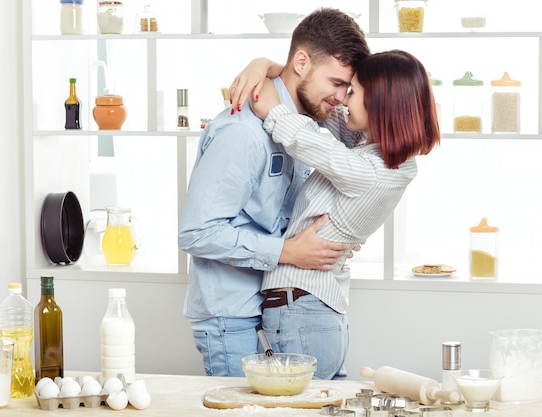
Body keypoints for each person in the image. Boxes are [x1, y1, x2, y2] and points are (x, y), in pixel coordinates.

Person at [177, 8, 370, 377]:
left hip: (271, 305)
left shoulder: (307, 119)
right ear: (301, 62)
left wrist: (265, 65)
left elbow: (362, 151)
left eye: (348, 88)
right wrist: (289, 251)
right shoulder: (243, 133)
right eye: (336, 83)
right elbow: (196, 231)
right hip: (231, 315)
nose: (342, 98)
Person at [230, 49, 441, 379]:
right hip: (313, 314)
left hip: (300, 312)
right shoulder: (383, 158)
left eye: (354, 92)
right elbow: (322, 106)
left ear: (380, 105)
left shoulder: (368, 170)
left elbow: (306, 139)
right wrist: (263, 65)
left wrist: (273, 109)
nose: (343, 99)